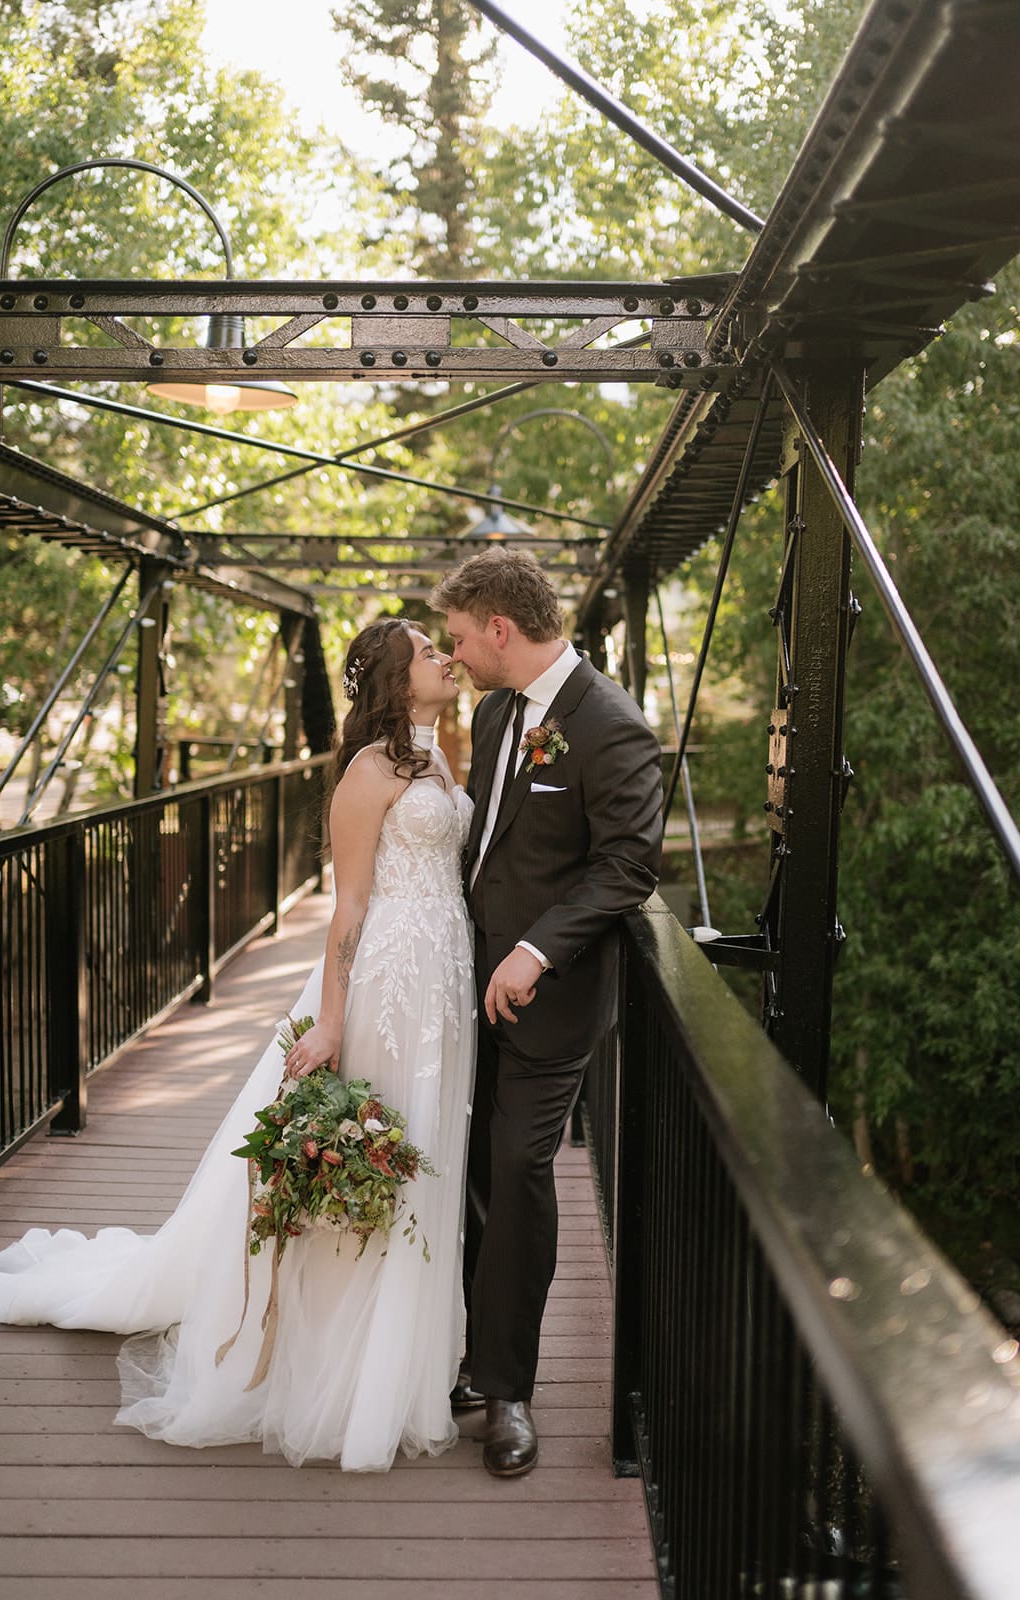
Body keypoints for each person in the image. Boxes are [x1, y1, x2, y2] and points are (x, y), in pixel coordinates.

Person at [0, 618, 475, 1472]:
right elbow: (348, 908)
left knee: (425, 1153)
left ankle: (405, 1361)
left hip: (440, 990)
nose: (445, 659)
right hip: (382, 987)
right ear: (392, 678)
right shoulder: (367, 771)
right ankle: (335, 1367)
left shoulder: (436, 757)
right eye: (428, 652)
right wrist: (333, 1023)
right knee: (377, 1149)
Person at [431, 550, 664, 1478]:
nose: (454, 658)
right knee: (469, 1168)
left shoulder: (611, 727)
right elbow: (487, 836)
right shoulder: (494, 713)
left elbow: (627, 866)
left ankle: (509, 1392)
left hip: (551, 997)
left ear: (500, 629)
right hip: (461, 983)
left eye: (459, 639)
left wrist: (535, 949)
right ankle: (469, 1354)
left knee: (520, 1168)